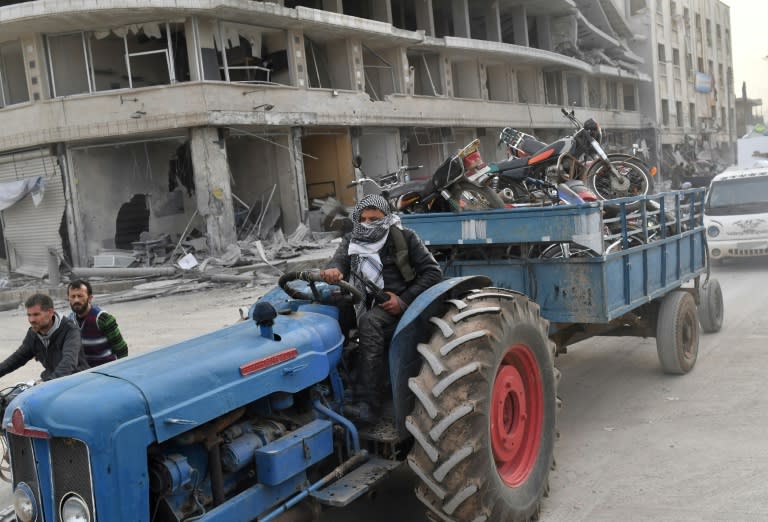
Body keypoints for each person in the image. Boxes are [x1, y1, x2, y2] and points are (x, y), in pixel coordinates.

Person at [321, 194, 442, 423]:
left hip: (395, 306)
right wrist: (334, 270)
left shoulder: (405, 237)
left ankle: (369, 403)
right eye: (363, 219)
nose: (368, 224)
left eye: (374, 218)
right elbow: (338, 262)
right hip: (361, 300)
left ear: (386, 217)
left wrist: (403, 299)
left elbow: (433, 273)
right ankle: (336, 384)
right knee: (326, 312)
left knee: (369, 322)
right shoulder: (351, 240)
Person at [0, 293, 90, 382]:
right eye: (29, 315)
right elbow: (17, 358)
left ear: (50, 312)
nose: (31, 320)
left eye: (36, 314)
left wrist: (47, 383)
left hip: (77, 382)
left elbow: (69, 362)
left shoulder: (70, 330)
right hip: (51, 380)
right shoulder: (33, 334)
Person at [67, 280, 128, 367]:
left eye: (80, 296)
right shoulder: (70, 320)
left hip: (107, 368)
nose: (76, 300)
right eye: (72, 296)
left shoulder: (103, 319)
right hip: (84, 372)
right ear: (68, 298)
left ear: (90, 298)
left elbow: (121, 349)